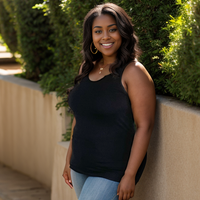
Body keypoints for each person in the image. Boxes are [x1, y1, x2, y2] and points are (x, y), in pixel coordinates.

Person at [62, 3, 156, 200]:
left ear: (123, 32)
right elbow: (80, 118)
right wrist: (68, 158)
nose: (105, 36)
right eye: (98, 31)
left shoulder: (134, 72)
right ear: (91, 37)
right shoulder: (87, 68)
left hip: (113, 169)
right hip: (81, 164)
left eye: (112, 29)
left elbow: (144, 126)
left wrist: (129, 175)